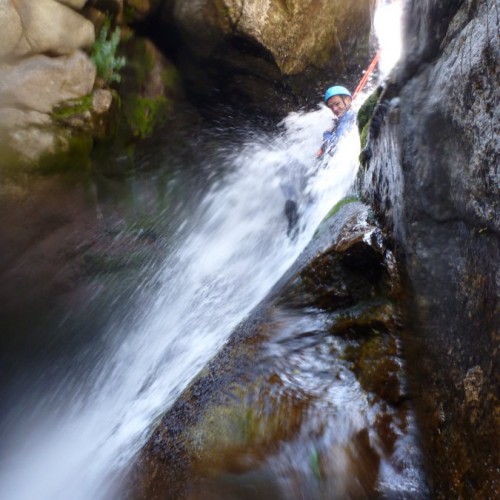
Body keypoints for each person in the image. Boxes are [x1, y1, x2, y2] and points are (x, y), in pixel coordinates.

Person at [316, 85, 356, 158]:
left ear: (348, 100)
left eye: (337, 104)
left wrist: (327, 134)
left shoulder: (348, 116)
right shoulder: (348, 116)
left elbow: (336, 147)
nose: (334, 109)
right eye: (331, 106)